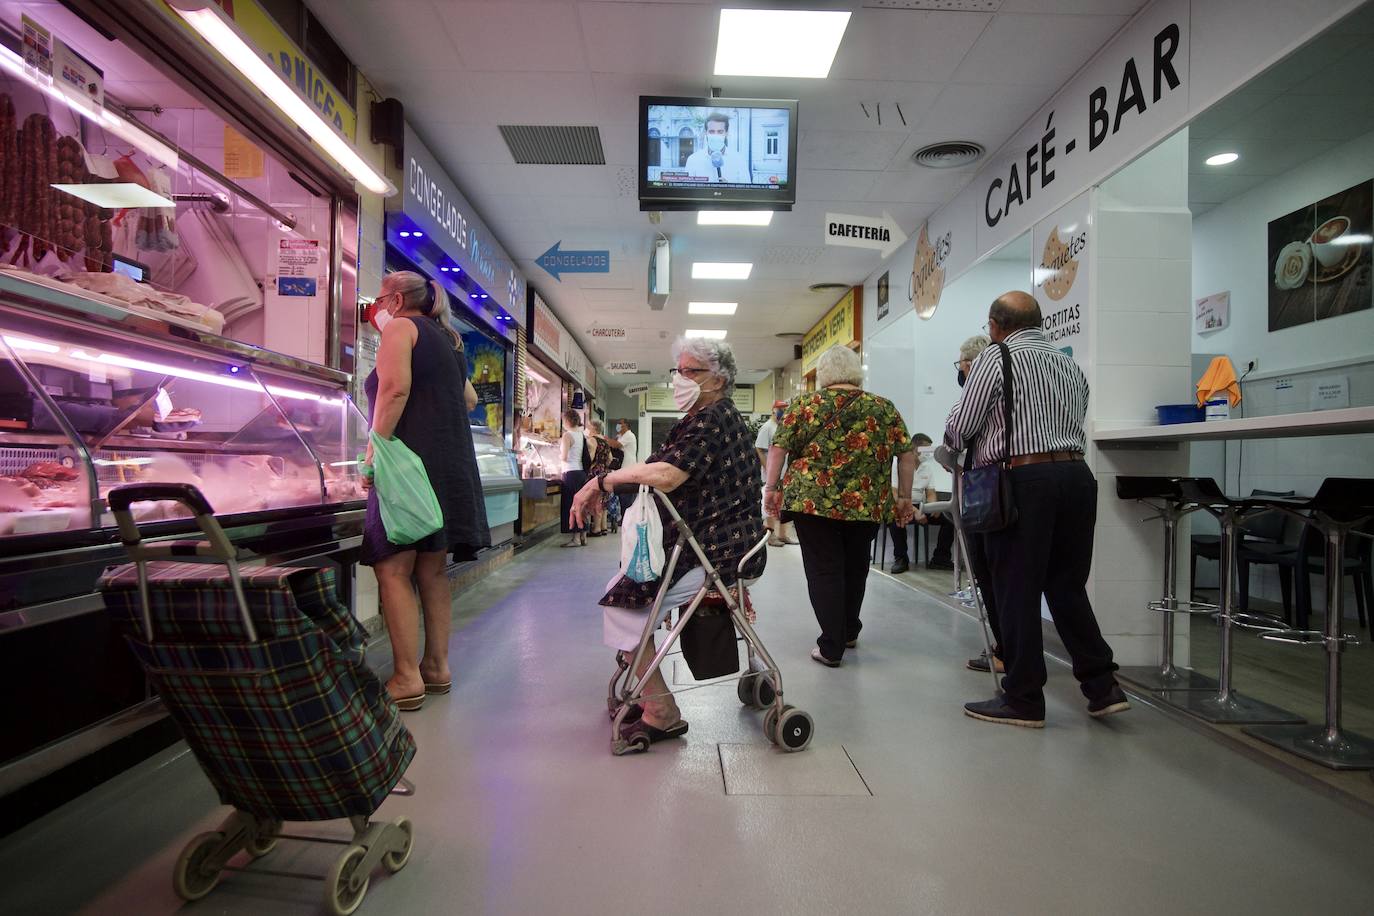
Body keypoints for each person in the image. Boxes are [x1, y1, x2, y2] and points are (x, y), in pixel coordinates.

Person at [945, 291, 1128, 727]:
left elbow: (962, 426)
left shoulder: (996, 356)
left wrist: (958, 441)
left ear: (994, 325)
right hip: (1076, 477)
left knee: (1015, 589)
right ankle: (1102, 687)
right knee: (1066, 587)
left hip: (1024, 482)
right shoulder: (1068, 364)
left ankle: (1024, 697)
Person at [571, 336, 765, 747]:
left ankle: (662, 710)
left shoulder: (712, 419)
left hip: (715, 550)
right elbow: (660, 466)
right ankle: (648, 689)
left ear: (718, 379)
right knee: (623, 596)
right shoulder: (705, 418)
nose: (680, 379)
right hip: (704, 543)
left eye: (690, 371)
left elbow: (668, 475)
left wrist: (601, 481)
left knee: (622, 608)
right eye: (678, 370)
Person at [362, 270, 490, 711]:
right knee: (432, 571)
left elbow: (395, 391)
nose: (376, 307)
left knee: (393, 569)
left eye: (380, 299)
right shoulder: (450, 340)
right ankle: (436, 668)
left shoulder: (401, 328)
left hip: (408, 467)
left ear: (395, 300)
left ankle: (405, 677)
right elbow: (470, 399)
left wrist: (373, 453)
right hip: (447, 464)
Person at [765, 345, 915, 667]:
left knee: (824, 569)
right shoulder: (882, 407)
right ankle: (848, 630)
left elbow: (778, 449)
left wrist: (771, 488)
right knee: (856, 565)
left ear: (824, 374)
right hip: (866, 502)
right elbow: (906, 454)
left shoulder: (805, 405)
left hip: (813, 503)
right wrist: (904, 497)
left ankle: (831, 645)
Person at [951, 333, 1004, 674]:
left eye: (961, 364)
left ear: (971, 364)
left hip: (990, 486)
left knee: (990, 572)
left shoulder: (980, 384)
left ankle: (1006, 651)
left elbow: (957, 431)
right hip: (1038, 480)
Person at [886, 433, 953, 574]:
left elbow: (930, 493)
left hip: (921, 506)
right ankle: (901, 559)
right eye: (925, 450)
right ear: (915, 448)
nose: (928, 455)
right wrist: (914, 512)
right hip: (902, 504)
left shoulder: (927, 468)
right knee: (895, 517)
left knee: (950, 519)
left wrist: (933, 506)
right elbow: (894, 493)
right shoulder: (897, 464)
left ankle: (940, 558)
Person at [755, 400, 797, 547]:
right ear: (773, 409)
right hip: (771, 473)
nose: (783, 412)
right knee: (771, 504)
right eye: (780, 409)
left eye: (785, 409)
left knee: (784, 503)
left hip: (785, 472)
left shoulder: (784, 426)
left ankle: (783, 534)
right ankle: (770, 534)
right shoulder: (767, 427)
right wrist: (768, 467)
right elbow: (759, 448)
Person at [685, 111, 752, 184]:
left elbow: (746, 192)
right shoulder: (693, 160)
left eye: (720, 132)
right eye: (711, 131)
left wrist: (730, 189)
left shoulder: (739, 160)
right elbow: (687, 191)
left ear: (726, 133)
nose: (715, 135)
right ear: (705, 132)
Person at [559, 409, 590, 547]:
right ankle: (583, 536)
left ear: (566, 421)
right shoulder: (581, 435)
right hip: (580, 473)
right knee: (581, 504)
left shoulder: (567, 435)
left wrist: (558, 454)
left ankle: (575, 539)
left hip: (570, 473)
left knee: (571, 505)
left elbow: (564, 457)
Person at [585, 419, 614, 537]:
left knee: (595, 499)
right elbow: (610, 458)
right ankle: (603, 527)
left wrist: (590, 466)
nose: (587, 428)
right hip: (604, 472)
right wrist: (604, 466)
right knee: (603, 500)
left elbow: (591, 458)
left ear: (593, 427)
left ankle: (596, 528)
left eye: (588, 426)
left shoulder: (592, 440)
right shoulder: (605, 441)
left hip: (595, 472)